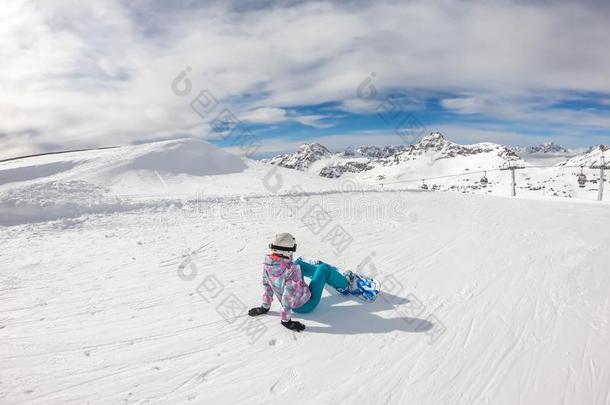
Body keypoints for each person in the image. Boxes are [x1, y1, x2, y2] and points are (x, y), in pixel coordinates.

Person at [247, 232, 361, 332]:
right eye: (292, 249)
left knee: (299, 262)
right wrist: (286, 320)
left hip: (293, 299)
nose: (292, 252)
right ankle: (347, 284)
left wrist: (264, 308)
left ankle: (321, 276)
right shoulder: (292, 269)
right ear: (285, 251)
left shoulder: (267, 265)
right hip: (306, 305)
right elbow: (288, 295)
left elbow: (267, 287)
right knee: (323, 268)